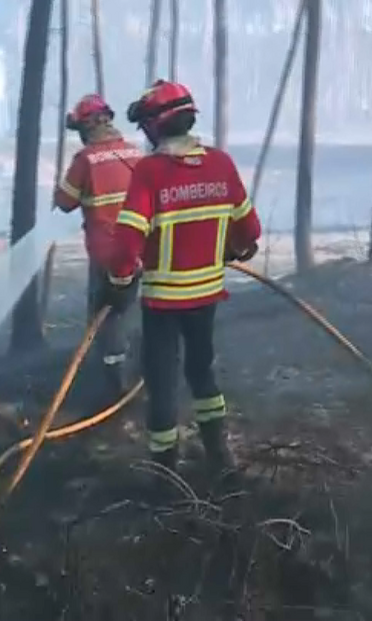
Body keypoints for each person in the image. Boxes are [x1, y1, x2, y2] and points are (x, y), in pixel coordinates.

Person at [103, 80, 262, 476]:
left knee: (162, 382)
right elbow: (249, 232)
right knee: (201, 372)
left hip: (163, 303)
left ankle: (165, 474)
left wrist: (118, 284)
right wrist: (234, 250)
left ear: (154, 126)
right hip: (207, 297)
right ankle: (219, 456)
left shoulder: (150, 172)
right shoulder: (221, 164)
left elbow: (126, 245)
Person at [53, 94, 143, 403]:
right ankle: (134, 370)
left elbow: (65, 202)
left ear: (87, 127)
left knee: (107, 318)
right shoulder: (133, 153)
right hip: (139, 251)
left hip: (106, 256)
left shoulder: (86, 160)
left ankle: (112, 385)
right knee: (129, 309)